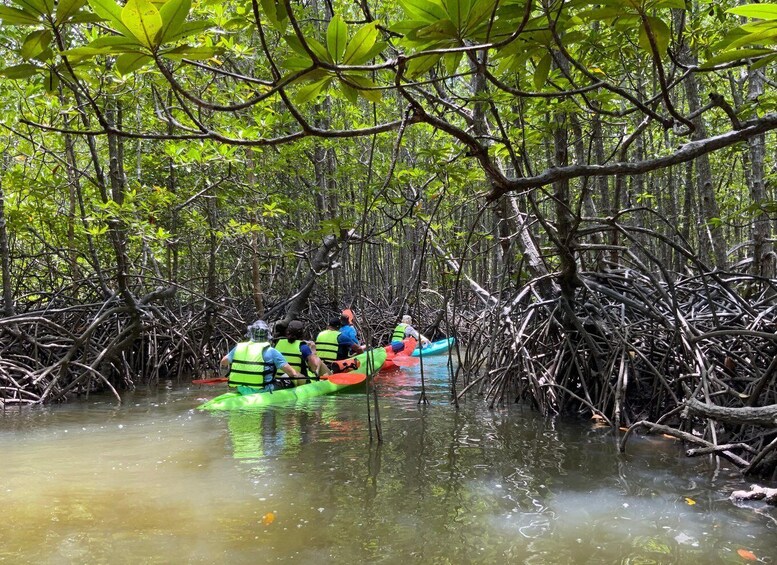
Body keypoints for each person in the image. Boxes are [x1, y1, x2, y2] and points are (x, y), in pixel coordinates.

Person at [219, 320, 302, 394]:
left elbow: (224, 362)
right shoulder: (272, 351)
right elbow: (292, 373)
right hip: (263, 390)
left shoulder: (239, 348)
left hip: (241, 389)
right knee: (287, 378)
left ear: (251, 333)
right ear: (267, 335)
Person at [274, 320, 330, 385]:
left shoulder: (278, 343)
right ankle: (330, 378)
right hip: (297, 380)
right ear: (302, 333)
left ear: (287, 331)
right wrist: (313, 352)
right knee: (318, 360)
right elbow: (314, 368)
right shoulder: (303, 347)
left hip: (278, 378)